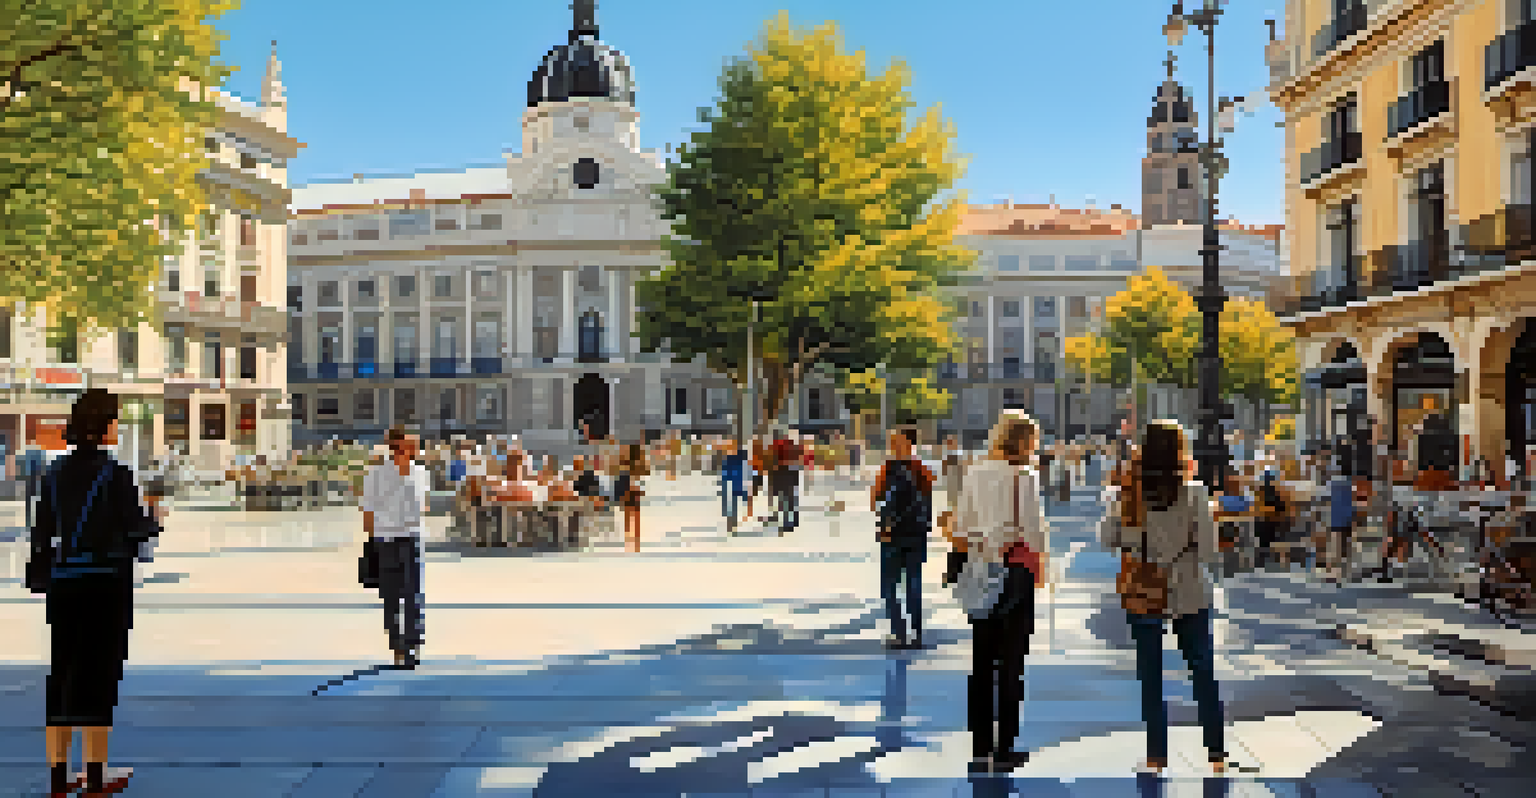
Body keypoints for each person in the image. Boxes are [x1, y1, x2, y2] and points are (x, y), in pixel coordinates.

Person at [28, 389, 165, 797]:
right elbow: (136, 530)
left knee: (64, 672)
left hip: (65, 584)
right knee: (99, 675)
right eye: (113, 420)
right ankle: (95, 773)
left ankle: (57, 776)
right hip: (105, 583)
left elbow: (41, 534)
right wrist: (155, 516)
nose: (116, 427)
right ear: (103, 426)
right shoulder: (117, 475)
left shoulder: (52, 475)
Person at [1099, 420, 1231, 776]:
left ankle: (1156, 756)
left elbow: (1108, 538)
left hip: (1144, 587)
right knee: (1202, 670)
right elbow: (1208, 552)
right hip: (1189, 588)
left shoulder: (1129, 493)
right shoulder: (1194, 493)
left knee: (1150, 674)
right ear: (1179, 452)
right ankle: (1216, 753)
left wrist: (1139, 540)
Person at [954, 413, 1050, 773]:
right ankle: (1005, 747)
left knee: (981, 662)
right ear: (1023, 441)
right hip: (1016, 571)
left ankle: (980, 748)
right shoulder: (1023, 476)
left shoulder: (975, 472)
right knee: (1012, 663)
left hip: (981, 569)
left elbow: (961, 524)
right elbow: (1033, 530)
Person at [359, 426, 430, 669]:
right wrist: (371, 544)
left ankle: (412, 644)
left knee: (413, 594)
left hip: (411, 538)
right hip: (385, 540)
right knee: (391, 597)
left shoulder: (420, 472)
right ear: (398, 447)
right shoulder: (377, 474)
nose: (417, 448)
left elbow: (424, 504)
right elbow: (368, 510)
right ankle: (397, 647)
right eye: (413, 444)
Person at [871, 427, 935, 650]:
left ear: (908, 442)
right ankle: (915, 634)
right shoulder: (924, 469)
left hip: (893, 535)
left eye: (894, 440)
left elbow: (875, 500)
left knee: (890, 585)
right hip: (917, 534)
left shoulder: (888, 469)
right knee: (913, 584)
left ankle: (900, 633)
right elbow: (928, 503)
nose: (891, 444)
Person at [615, 444, 648, 552]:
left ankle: (629, 540)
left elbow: (621, 480)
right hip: (633, 491)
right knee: (634, 516)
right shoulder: (636, 466)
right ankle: (635, 542)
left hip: (629, 491)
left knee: (629, 516)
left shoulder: (625, 466)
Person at [720, 439, 750, 534]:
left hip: (739, 481)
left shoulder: (741, 457)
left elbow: (745, 469)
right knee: (731, 503)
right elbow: (725, 472)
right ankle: (731, 522)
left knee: (736, 501)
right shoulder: (727, 458)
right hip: (730, 482)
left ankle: (733, 521)